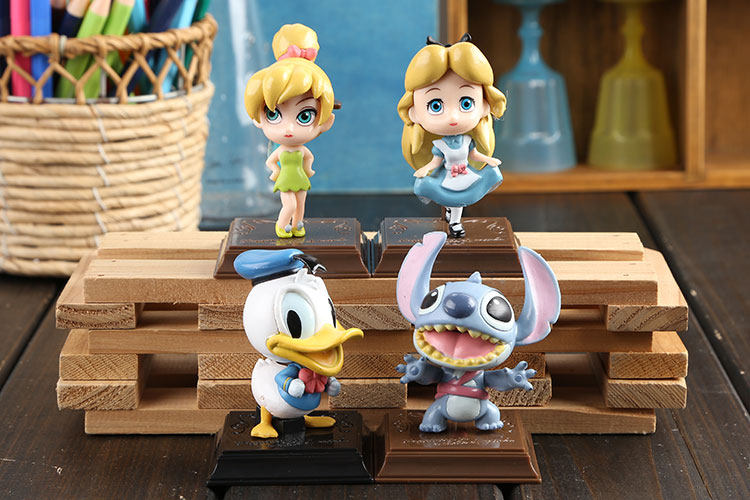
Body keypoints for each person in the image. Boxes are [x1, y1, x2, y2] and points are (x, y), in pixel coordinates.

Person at [398, 34, 506, 238]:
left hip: (465, 174)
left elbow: (474, 155)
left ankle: (455, 221)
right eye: (435, 105)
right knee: (451, 197)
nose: (453, 117)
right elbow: (435, 162)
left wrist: (489, 160)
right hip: (448, 176)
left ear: (484, 106)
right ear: (414, 112)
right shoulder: (440, 145)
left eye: (466, 103)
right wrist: (425, 170)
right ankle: (452, 217)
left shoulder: (467, 141)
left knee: (460, 199)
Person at [244, 24, 335, 238]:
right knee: (289, 204)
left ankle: (298, 224)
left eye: (305, 116)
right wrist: (275, 172)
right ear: (258, 119)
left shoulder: (302, 151)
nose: (289, 128)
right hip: (285, 181)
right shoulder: (281, 151)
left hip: (301, 179)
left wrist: (309, 169)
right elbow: (270, 161)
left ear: (326, 122)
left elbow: (308, 158)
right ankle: (282, 225)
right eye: (273, 114)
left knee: (301, 203)